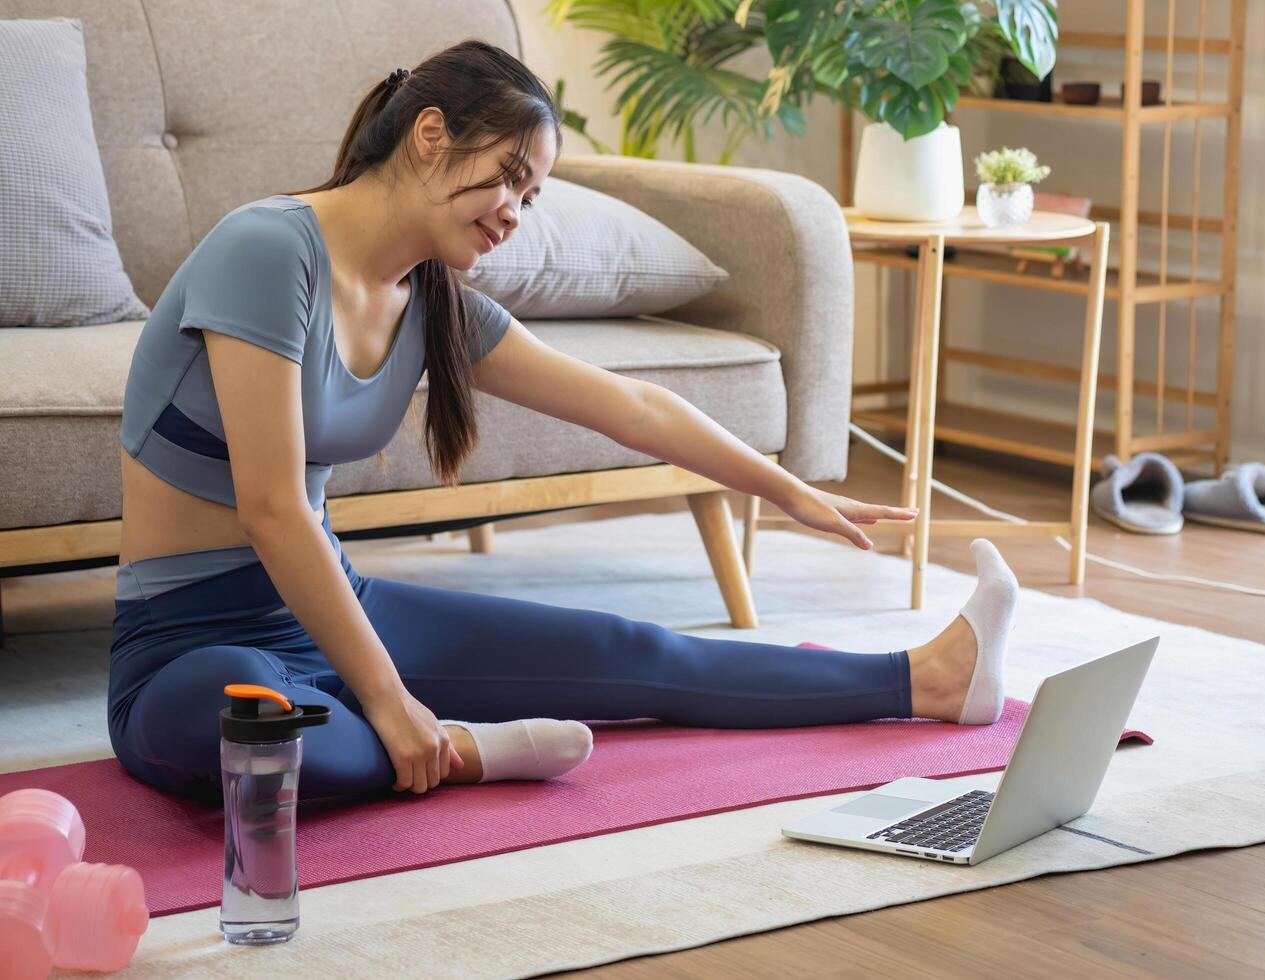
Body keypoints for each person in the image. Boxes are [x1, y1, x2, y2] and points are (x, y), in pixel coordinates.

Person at [108, 40, 1019, 806]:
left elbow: (630, 405)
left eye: (530, 194)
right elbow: (272, 508)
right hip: (186, 643)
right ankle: (459, 748)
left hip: (336, 610)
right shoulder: (267, 251)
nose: (514, 212)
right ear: (430, 135)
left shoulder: (430, 300)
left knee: (624, 649)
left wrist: (788, 489)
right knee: (250, 726)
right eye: (507, 177)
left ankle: (925, 677)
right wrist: (391, 702)